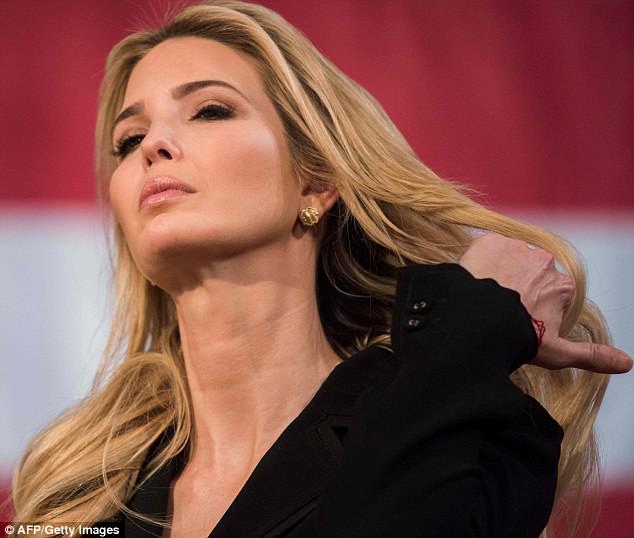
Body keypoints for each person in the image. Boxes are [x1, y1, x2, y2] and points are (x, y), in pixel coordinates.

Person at [9, 1, 632, 537]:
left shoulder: (467, 430)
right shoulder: (74, 494)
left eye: (210, 111)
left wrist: (466, 333)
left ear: (315, 182)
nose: (151, 146)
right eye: (127, 140)